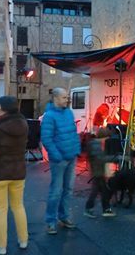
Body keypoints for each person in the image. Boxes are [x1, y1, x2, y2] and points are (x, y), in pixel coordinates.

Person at [0, 96, 29, 255]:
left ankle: (1, 246)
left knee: (1, 210)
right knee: (18, 207)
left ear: (4, 109)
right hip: (18, 171)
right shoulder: (24, 124)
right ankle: (23, 240)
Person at [41, 88, 81, 235]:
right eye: (64, 97)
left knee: (68, 190)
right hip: (59, 160)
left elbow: (73, 133)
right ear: (56, 98)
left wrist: (76, 150)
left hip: (71, 157)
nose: (67, 99)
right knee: (56, 191)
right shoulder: (49, 116)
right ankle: (51, 221)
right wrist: (56, 155)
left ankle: (64, 217)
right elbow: (46, 138)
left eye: (67, 97)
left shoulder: (69, 113)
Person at [84, 127, 116, 218]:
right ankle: (90, 209)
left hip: (97, 171)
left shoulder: (96, 144)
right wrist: (116, 158)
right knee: (97, 191)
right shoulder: (96, 145)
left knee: (102, 191)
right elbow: (101, 159)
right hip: (98, 171)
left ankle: (105, 209)